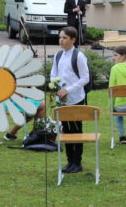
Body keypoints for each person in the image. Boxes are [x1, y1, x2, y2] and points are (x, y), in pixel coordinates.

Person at [52, 25, 91, 173]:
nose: (61, 40)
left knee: (76, 130)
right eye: (60, 37)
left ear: (73, 40)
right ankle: (69, 161)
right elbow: (53, 73)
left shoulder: (79, 56)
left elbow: (85, 78)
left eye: (64, 38)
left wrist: (67, 90)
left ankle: (77, 162)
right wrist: (57, 88)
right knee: (66, 130)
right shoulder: (58, 55)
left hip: (76, 98)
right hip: (62, 99)